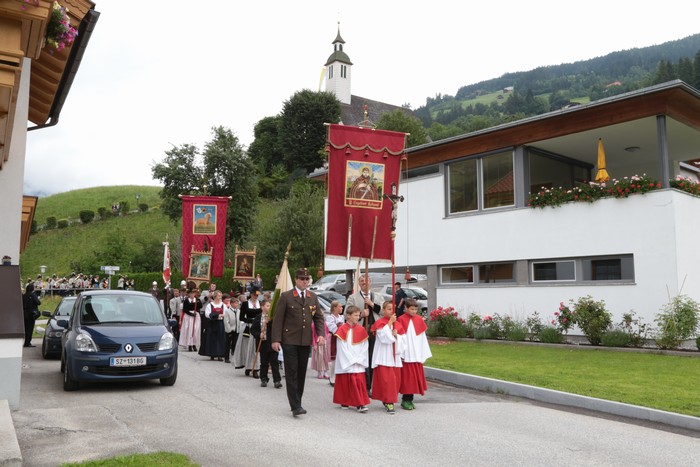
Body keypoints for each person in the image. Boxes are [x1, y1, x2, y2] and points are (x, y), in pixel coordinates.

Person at [271, 268, 325, 417]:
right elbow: (278, 320)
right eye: (302, 279)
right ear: (296, 279)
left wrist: (321, 334)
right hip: (289, 340)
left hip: (305, 340)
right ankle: (295, 406)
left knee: (301, 372)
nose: (305, 282)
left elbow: (318, 317)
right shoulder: (286, 296)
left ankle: (297, 401)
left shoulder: (312, 297)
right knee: (292, 371)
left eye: (307, 279)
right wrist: (276, 339)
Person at [345, 274, 380, 395]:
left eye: (366, 280)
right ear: (359, 283)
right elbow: (346, 314)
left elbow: (383, 311)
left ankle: (373, 385)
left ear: (370, 282)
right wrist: (361, 315)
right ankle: (365, 386)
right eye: (361, 281)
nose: (364, 282)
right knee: (363, 358)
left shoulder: (378, 296)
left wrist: (371, 304)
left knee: (373, 358)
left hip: (375, 332)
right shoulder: (353, 298)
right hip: (360, 331)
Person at [332, 305, 370, 412]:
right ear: (348, 316)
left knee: (357, 381)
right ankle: (345, 401)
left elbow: (365, 346)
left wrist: (360, 358)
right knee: (345, 381)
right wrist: (351, 360)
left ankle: (360, 404)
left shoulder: (361, 329)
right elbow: (341, 347)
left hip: (358, 361)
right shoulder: (342, 329)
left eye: (358, 315)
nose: (358, 317)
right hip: (347, 360)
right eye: (355, 315)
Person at [397, 298, 432, 410]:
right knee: (407, 379)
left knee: (414, 378)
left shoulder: (419, 320)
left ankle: (410, 399)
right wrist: (401, 351)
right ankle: (405, 399)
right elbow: (400, 337)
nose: (414, 311)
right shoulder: (401, 319)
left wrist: (422, 351)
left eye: (415, 309)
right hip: (407, 353)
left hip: (416, 352)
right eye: (411, 309)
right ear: (406, 308)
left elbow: (422, 337)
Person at [370, 301, 405, 414]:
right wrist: (389, 323)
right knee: (387, 381)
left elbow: (404, 341)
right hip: (384, 356)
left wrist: (397, 336)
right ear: (383, 310)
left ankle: (389, 399)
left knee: (395, 381)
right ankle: (389, 402)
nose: (391, 311)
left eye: (393, 309)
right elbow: (384, 338)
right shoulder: (380, 323)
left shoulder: (398, 324)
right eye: (389, 309)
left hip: (395, 357)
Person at [251, 299, 282, 389]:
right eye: (268, 305)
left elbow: (278, 329)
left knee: (274, 362)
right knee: (264, 362)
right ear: (262, 307)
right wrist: (259, 334)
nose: (269, 307)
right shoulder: (258, 318)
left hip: (272, 343)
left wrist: (269, 323)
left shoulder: (273, 317)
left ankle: (277, 380)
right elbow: (253, 330)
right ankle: (264, 379)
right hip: (263, 343)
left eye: (270, 306)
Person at [235, 290, 261, 377]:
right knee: (247, 348)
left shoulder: (260, 303)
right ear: (251, 295)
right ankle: (248, 366)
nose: (256, 296)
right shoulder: (245, 304)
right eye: (254, 295)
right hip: (248, 327)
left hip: (258, 328)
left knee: (256, 349)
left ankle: (255, 368)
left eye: (257, 295)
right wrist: (251, 320)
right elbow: (241, 318)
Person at [324, 299, 345, 387]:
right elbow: (333, 329)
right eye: (340, 307)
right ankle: (332, 377)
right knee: (333, 359)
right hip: (333, 338)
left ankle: (338, 377)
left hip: (341, 338)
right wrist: (341, 327)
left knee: (340, 358)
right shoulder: (330, 317)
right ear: (334, 308)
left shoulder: (341, 317)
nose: (341, 308)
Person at [202, 290, 227, 361]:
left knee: (220, 338)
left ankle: (220, 354)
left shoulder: (223, 305)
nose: (220, 297)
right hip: (212, 323)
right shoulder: (210, 305)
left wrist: (221, 316)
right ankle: (212, 354)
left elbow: (226, 313)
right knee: (212, 338)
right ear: (215, 296)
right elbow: (207, 314)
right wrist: (216, 316)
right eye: (219, 296)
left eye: (221, 296)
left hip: (220, 323)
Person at [311, 312, 331, 380]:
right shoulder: (313, 325)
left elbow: (327, 332)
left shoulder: (324, 324)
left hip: (324, 342)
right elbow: (312, 335)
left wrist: (327, 340)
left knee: (326, 357)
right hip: (317, 343)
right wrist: (314, 344)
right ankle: (319, 372)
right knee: (319, 358)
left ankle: (325, 372)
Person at [22, 283, 41, 347]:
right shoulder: (33, 295)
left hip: (24, 313)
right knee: (30, 329)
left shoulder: (23, 296)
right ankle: (27, 343)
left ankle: (26, 342)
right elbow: (38, 303)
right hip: (31, 314)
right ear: (32, 289)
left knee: (26, 328)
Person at [223, 296, 240, 363]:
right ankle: (226, 357)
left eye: (237, 303)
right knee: (228, 344)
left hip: (237, 330)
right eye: (235, 303)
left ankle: (234, 356)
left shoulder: (238, 311)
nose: (237, 304)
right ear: (231, 303)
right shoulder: (227, 311)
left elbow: (239, 320)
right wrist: (229, 330)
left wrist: (239, 328)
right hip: (230, 330)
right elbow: (226, 322)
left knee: (235, 343)